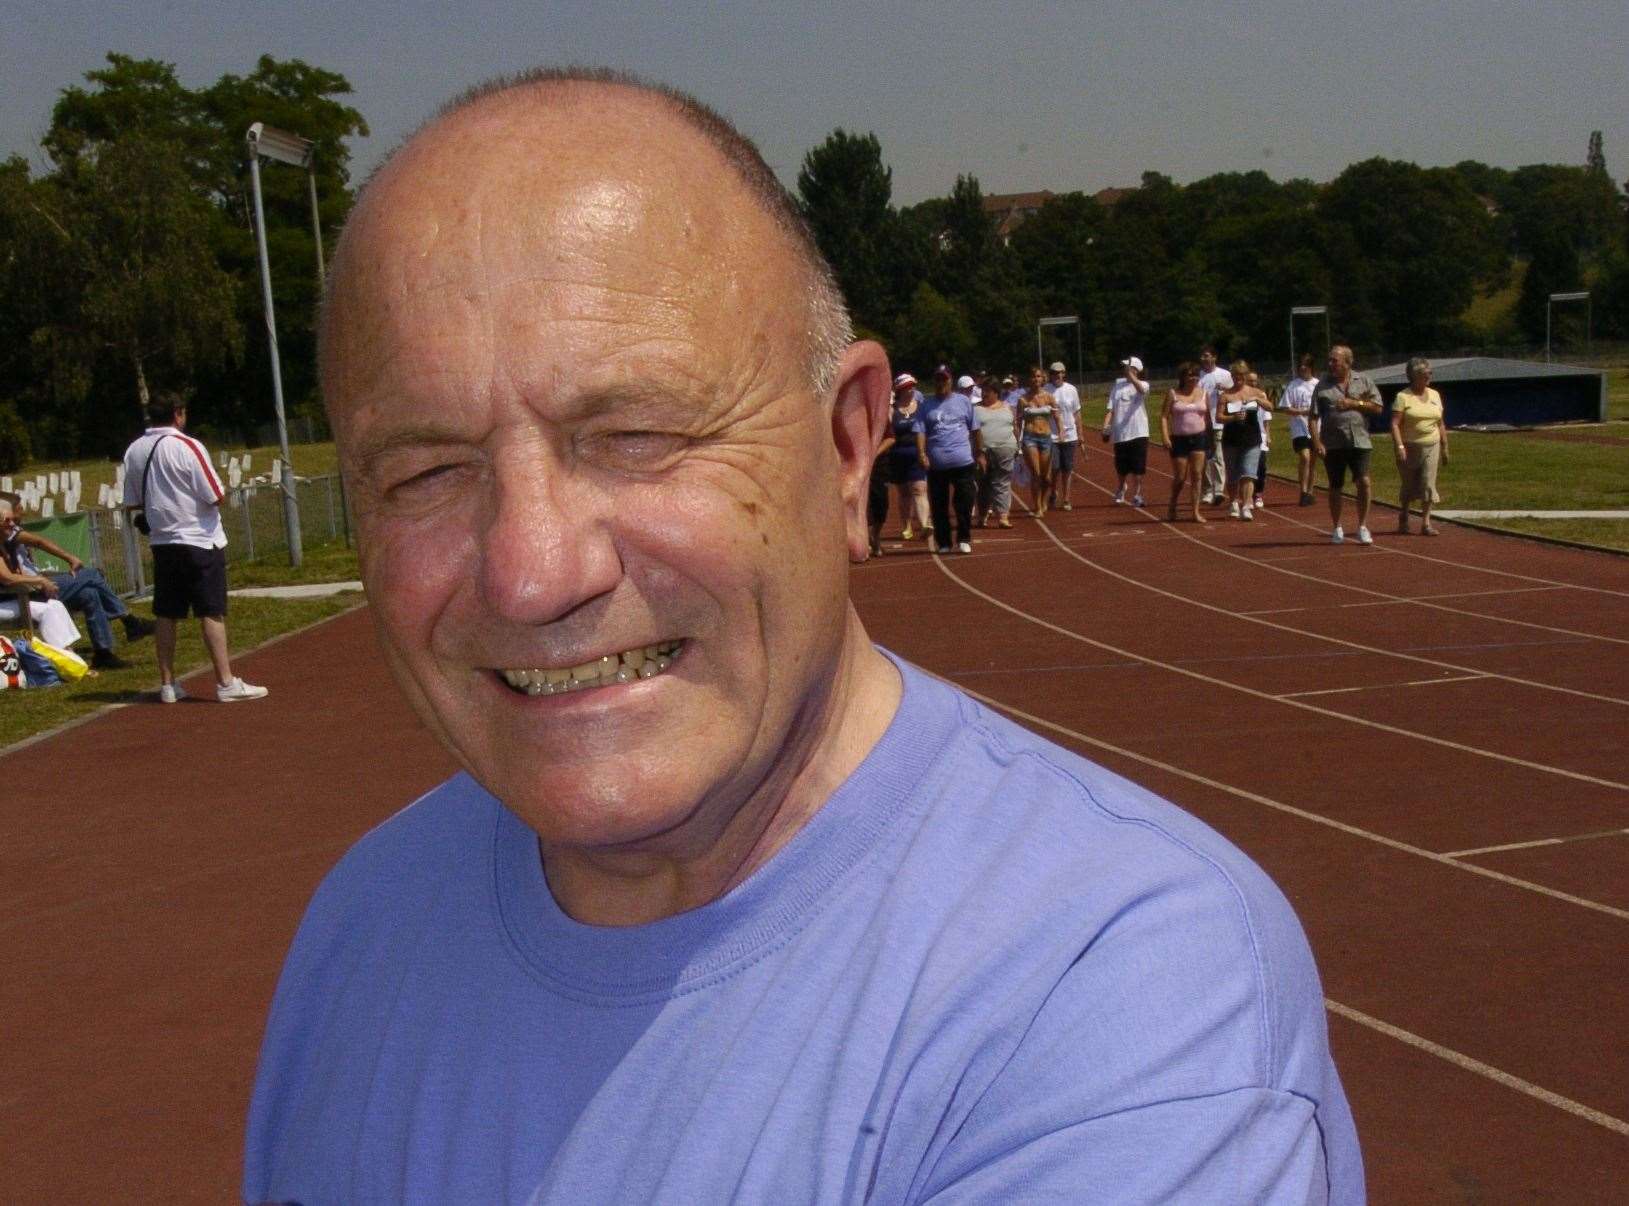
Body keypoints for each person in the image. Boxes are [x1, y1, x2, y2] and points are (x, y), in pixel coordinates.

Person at [245, 69, 1362, 1203]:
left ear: (845, 446)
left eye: (634, 433)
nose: (532, 573)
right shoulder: (360, 927)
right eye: (427, 471)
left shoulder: (1117, 988)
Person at [120, 392, 268, 702]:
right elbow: (216, 494)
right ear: (178, 413)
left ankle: (167, 684)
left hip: (163, 542)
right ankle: (226, 682)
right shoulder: (187, 446)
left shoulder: (134, 450)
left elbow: (132, 501)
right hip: (199, 539)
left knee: (166, 613)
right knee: (211, 611)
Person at [0, 495, 153, 669]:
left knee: (89, 594)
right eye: (12, 515)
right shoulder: (8, 536)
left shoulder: (7, 534)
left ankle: (103, 653)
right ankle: (129, 621)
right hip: (29, 592)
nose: (17, 518)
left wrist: (43, 576)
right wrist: (44, 577)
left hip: (35, 586)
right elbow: (12, 572)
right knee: (92, 575)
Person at [1310, 345, 1383, 545]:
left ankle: (1362, 526)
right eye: (1330, 360)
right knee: (1335, 486)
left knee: (1364, 482)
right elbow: (1313, 416)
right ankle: (1337, 527)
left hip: (1360, 440)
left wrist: (1354, 404)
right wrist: (1317, 441)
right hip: (1333, 443)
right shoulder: (1322, 385)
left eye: (1335, 360)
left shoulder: (1364, 381)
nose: (1331, 364)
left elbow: (1377, 407)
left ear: (1347, 362)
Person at [916, 365, 982, 554]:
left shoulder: (963, 402)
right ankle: (944, 542)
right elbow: (920, 431)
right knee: (939, 505)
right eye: (938, 379)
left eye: (944, 379)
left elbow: (975, 429)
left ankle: (963, 537)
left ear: (950, 380)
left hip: (963, 461)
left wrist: (980, 452)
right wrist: (921, 453)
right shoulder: (926, 406)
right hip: (937, 464)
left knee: (965, 501)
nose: (941, 383)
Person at [1391, 356, 1450, 535]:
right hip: (1409, 446)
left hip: (1431, 444)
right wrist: (1400, 447)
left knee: (1427, 483)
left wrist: (1445, 445)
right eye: (1426, 374)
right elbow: (1394, 424)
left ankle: (1426, 523)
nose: (1429, 376)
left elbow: (1440, 422)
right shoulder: (1403, 397)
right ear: (1415, 375)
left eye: (1430, 373)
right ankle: (1404, 515)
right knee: (1409, 485)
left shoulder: (1435, 395)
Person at [1217, 361, 1270, 520]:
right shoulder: (1226, 395)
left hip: (1252, 440)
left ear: (1246, 376)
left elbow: (1271, 407)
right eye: (1235, 375)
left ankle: (1247, 505)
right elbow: (1218, 417)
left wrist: (1258, 400)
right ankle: (1233, 501)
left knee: (1249, 473)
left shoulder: (1256, 392)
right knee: (1233, 475)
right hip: (1231, 440)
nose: (1238, 378)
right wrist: (1233, 417)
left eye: (1241, 375)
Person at [1161, 361, 1211, 523]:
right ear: (1182, 377)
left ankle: (1195, 511)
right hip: (1179, 439)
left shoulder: (1203, 393)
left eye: (1195, 375)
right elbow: (1163, 416)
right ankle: (1172, 505)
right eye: (1189, 375)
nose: (1193, 378)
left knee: (1197, 475)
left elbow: (1208, 416)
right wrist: (1165, 436)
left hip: (1199, 438)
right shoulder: (1173, 394)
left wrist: (1210, 437)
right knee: (1180, 478)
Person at [1102, 356, 1150, 506]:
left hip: (1138, 432)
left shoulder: (1143, 384)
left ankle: (1137, 494)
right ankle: (1121, 488)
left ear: (1135, 369)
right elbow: (1111, 409)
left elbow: (1141, 390)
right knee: (1121, 467)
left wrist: (1132, 377)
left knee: (1138, 467)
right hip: (1120, 433)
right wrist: (1105, 426)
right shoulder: (1117, 386)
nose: (1123, 370)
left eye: (1127, 367)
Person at [887, 373, 930, 540]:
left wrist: (925, 452)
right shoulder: (892, 410)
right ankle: (906, 526)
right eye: (907, 387)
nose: (911, 390)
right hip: (897, 455)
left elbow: (926, 431)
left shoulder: (920, 407)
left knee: (920, 489)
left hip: (916, 453)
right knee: (904, 493)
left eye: (912, 386)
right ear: (900, 390)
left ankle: (925, 524)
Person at [972, 373, 1018, 528]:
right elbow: (971, 431)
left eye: (988, 391)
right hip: (983, 452)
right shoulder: (976, 409)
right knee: (983, 485)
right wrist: (978, 452)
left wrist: (1017, 446)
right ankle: (983, 515)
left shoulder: (1007, 408)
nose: (984, 394)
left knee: (1002, 483)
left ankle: (1003, 516)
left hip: (1005, 450)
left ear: (996, 392)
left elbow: (1014, 428)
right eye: (983, 390)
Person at [1016, 366, 1058, 518]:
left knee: (1046, 478)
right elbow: (1018, 421)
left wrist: (1062, 432)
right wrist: (1017, 440)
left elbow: (1057, 416)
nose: (1036, 379)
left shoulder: (1049, 397)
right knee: (1036, 473)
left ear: (1043, 379)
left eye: (1039, 376)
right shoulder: (1023, 400)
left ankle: (1044, 500)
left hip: (1046, 437)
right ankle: (1038, 507)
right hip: (1030, 437)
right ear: (1029, 379)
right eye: (1033, 376)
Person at [1279, 353, 1319, 506]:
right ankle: (1302, 490)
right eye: (1301, 365)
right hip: (1299, 427)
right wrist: (1302, 412)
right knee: (1305, 457)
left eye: (1306, 365)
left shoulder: (1318, 384)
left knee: (1313, 461)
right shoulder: (1293, 385)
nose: (1303, 368)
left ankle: (1310, 491)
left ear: (1311, 367)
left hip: (1315, 427)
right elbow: (1285, 407)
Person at [1197, 346, 1234, 505]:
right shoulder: (1197, 376)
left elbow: (1235, 393)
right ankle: (1207, 490)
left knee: (1218, 457)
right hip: (1201, 423)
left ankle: (1218, 490)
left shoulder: (1225, 374)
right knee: (1204, 458)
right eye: (1202, 356)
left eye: (1207, 356)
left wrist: (1225, 389)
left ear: (1214, 357)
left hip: (1218, 421)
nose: (1204, 359)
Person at [1045, 361, 1082, 510]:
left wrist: (1081, 433)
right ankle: (1053, 491)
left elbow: (1077, 412)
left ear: (1064, 374)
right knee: (1054, 468)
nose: (1058, 375)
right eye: (1055, 373)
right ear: (1051, 374)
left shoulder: (1072, 390)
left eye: (1061, 372)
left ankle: (1066, 498)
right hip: (1051, 436)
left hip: (1069, 435)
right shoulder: (1046, 390)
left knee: (1067, 468)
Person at [1247, 371, 1272, 507]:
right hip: (1247, 436)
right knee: (1248, 467)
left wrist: (1268, 435)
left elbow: (1266, 417)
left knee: (1261, 466)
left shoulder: (1262, 395)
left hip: (1261, 436)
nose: (1253, 383)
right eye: (1250, 381)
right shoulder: (1241, 396)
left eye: (1255, 381)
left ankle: (1258, 493)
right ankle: (1248, 495)